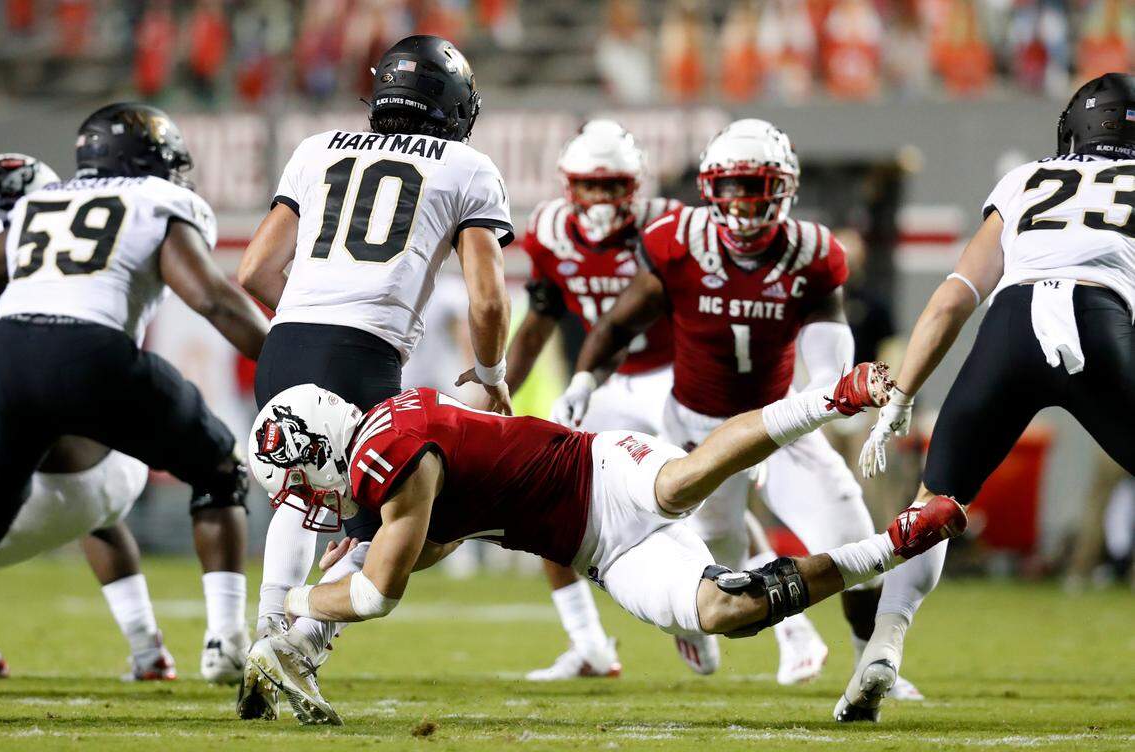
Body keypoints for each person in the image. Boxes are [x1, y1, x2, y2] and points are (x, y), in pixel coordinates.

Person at [243, 366, 966, 725]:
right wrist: (369, 560)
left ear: (320, 449)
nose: (307, 499)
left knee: (684, 480)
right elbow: (439, 540)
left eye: (298, 481)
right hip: (599, 550)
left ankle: (830, 397)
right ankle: (894, 544)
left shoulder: (386, 457)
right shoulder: (389, 435)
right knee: (724, 610)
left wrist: (292, 604)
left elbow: (376, 595)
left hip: (601, 469)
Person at [555, 119, 919, 693]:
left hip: (783, 422)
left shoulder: (813, 253)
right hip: (700, 430)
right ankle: (704, 628)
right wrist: (583, 379)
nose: (745, 205)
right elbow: (621, 323)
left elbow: (828, 350)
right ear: (709, 188)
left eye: (758, 187)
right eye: (734, 187)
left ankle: (872, 662)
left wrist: (824, 393)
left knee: (852, 536)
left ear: (786, 189)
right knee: (718, 560)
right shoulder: (678, 243)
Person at [235, 34, 513, 720]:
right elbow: (486, 298)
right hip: (362, 355)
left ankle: (267, 640)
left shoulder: (314, 148)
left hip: (286, 344)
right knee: (409, 519)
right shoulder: (468, 166)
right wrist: (491, 373)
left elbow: (252, 273)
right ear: (452, 106)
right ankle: (299, 647)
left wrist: (307, 322)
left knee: (304, 497)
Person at [849, 72, 1135, 722]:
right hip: (1099, 320)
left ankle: (883, 648)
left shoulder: (1029, 178)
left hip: (1009, 328)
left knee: (936, 503)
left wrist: (901, 398)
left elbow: (953, 296)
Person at [0, 105, 270, 683]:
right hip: (91, 352)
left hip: (9, 354)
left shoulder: (37, 205)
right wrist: (282, 352)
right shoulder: (157, 201)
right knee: (219, 469)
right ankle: (225, 641)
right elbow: (212, 299)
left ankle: (153, 648)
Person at [506, 119, 678, 679]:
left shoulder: (666, 226)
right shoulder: (551, 231)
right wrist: (495, 387)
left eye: (612, 186)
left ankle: (714, 618)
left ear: (635, 186)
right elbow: (538, 320)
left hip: (672, 376)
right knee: (547, 499)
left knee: (696, 505)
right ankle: (589, 645)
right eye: (590, 185)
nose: (601, 199)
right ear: (568, 186)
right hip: (597, 381)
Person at [0, 153, 176, 681]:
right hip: (117, 470)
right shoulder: (84, 268)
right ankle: (149, 649)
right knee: (101, 513)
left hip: (27, 498)